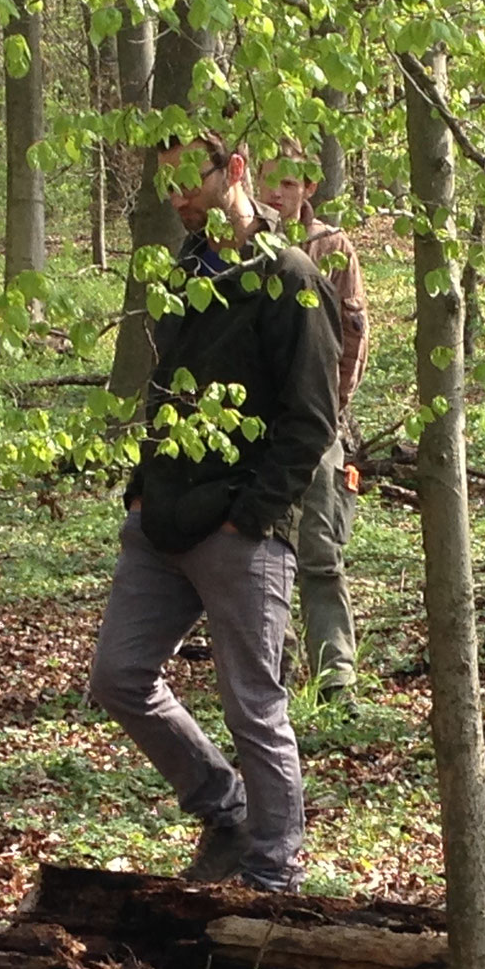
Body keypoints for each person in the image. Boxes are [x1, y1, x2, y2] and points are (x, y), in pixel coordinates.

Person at [87, 129, 343, 891]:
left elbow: (311, 418)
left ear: (233, 171)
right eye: (163, 185)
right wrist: (141, 490)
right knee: (119, 677)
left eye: (186, 180)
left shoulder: (290, 277)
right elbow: (165, 393)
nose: (177, 198)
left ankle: (274, 875)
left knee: (254, 709)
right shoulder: (182, 274)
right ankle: (224, 811)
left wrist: (253, 516)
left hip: (241, 531)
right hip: (161, 520)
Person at [258, 142, 369, 699]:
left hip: (320, 422)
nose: (276, 191)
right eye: (267, 179)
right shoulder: (245, 245)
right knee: (261, 546)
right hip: (257, 424)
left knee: (320, 546)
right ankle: (272, 667)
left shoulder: (332, 247)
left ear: (309, 190)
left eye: (288, 182)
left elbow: (353, 337)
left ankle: (337, 677)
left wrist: (331, 410)